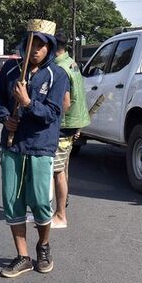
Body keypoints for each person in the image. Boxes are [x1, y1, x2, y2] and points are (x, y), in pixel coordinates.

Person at [0, 20, 69, 278]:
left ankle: (43, 245)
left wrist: (27, 102)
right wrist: (5, 118)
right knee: (12, 201)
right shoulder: (11, 70)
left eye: (41, 45)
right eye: (31, 44)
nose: (35, 49)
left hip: (41, 145)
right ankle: (22, 256)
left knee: (39, 202)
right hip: (12, 145)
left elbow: (53, 113)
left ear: (49, 48)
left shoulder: (57, 75)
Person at [51, 33, 90, 228]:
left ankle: (59, 213)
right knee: (63, 168)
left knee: (55, 170)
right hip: (74, 121)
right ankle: (59, 207)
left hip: (64, 123)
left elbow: (64, 103)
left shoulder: (59, 67)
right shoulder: (71, 62)